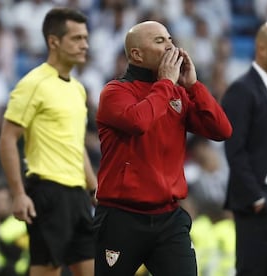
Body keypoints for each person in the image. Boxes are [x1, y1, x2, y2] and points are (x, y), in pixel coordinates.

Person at [93, 20, 232, 275]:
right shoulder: (115, 92)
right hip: (121, 218)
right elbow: (139, 122)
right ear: (137, 54)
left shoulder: (176, 93)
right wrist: (167, 84)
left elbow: (222, 130)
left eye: (169, 39)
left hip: (168, 218)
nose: (171, 46)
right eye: (159, 41)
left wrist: (193, 86)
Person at [0, 8, 97, 276]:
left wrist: (93, 187)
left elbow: (76, 145)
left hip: (77, 195)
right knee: (47, 271)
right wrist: (19, 194)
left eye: (85, 38)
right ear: (54, 41)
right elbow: (7, 139)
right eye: (76, 38)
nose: (84, 45)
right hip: (49, 192)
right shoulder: (33, 83)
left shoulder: (78, 89)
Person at [221, 21, 267, 276]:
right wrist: (256, 196)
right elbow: (234, 149)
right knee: (251, 271)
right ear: (262, 49)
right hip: (259, 199)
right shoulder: (241, 90)